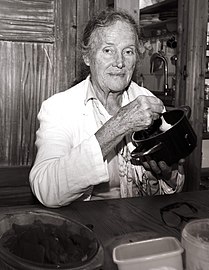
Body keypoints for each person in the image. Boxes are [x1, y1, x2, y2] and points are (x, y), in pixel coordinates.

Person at [29, 9, 185, 208]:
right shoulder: (59, 108)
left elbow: (173, 186)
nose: (119, 62)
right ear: (87, 57)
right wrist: (120, 124)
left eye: (128, 51)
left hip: (142, 219)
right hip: (86, 225)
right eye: (108, 50)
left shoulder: (149, 102)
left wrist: (169, 176)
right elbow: (46, 190)